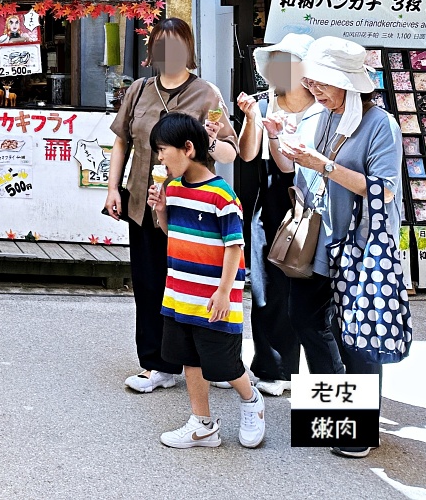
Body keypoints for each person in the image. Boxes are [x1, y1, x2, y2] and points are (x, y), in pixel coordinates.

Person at [279, 36, 404, 460]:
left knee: (357, 335)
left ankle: (358, 428)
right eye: (311, 80)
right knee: (304, 319)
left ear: (351, 84)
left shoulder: (380, 124)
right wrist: (283, 142)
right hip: (317, 238)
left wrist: (324, 165)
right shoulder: (317, 116)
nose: (314, 88)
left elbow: (383, 191)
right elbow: (295, 169)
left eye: (323, 82)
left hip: (362, 243)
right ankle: (336, 407)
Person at [106, 17, 239, 393]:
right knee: (149, 285)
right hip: (144, 203)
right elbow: (121, 143)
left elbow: (230, 151)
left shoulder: (207, 94)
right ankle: (158, 364)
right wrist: (113, 188)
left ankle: (216, 361)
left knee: (196, 286)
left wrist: (210, 141)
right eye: (161, 46)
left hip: (192, 209)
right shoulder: (139, 90)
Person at [147, 113, 266, 450]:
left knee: (224, 364)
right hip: (180, 294)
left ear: (187, 148)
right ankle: (202, 424)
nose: (159, 158)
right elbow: (176, 236)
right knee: (189, 359)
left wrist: (225, 292)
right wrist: (161, 212)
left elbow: (235, 247)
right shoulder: (173, 189)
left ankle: (251, 401)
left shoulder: (222, 196)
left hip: (215, 298)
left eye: (161, 149)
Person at [235, 33, 320, 397]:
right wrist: (255, 121)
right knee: (265, 285)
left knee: (304, 285)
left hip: (310, 199)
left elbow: (293, 167)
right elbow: (247, 154)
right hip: (267, 197)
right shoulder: (263, 102)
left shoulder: (322, 108)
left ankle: (297, 369)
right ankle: (271, 365)